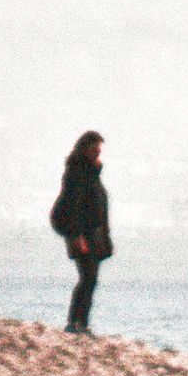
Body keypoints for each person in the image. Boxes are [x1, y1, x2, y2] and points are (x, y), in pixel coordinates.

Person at [51, 130, 112, 333]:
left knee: (90, 279)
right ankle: (75, 322)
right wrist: (77, 236)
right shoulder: (76, 172)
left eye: (99, 151)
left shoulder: (91, 173)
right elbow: (73, 205)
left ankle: (80, 322)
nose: (97, 154)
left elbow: (99, 207)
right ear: (85, 149)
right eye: (95, 150)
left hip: (93, 234)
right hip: (81, 234)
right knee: (88, 278)